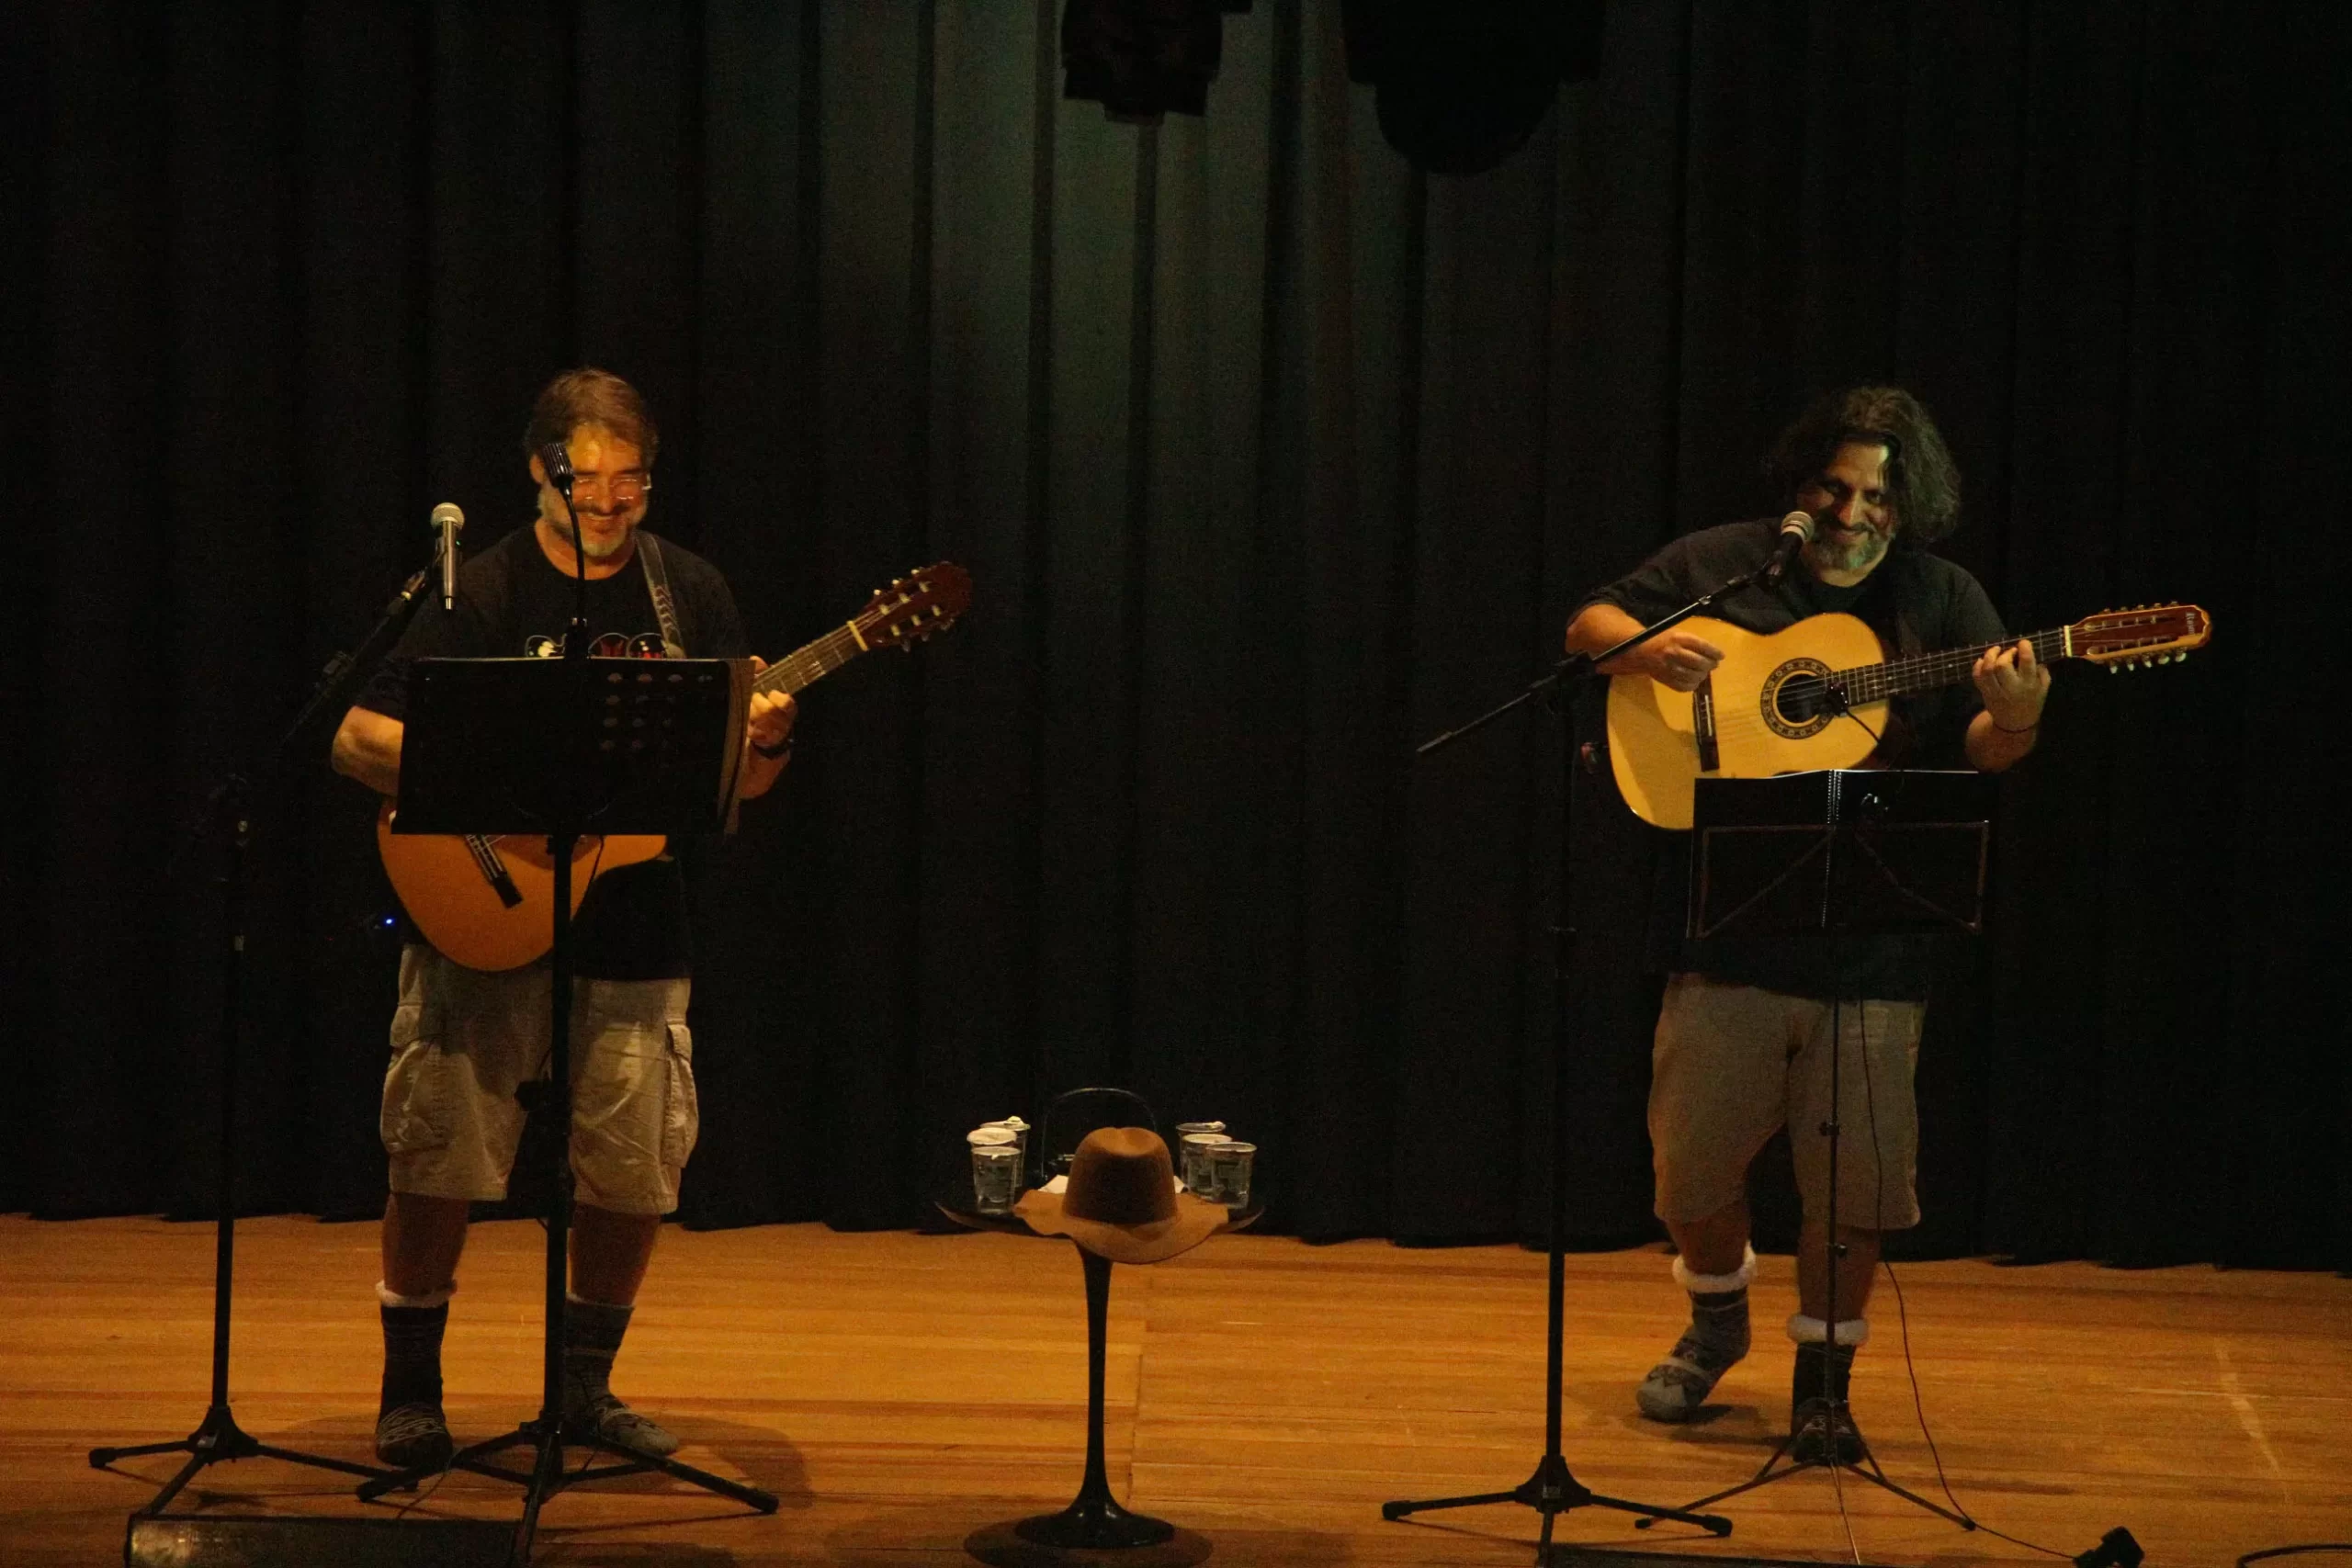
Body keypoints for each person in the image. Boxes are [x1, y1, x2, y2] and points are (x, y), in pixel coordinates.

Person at [1563, 387, 2048, 1462]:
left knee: (1853, 1190)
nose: (1852, 513)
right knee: (1688, 1177)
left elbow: (1988, 747)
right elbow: (1588, 626)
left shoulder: (1940, 598)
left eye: (1878, 496)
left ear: (1909, 505)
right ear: (1802, 483)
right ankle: (1716, 1321)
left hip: (1873, 953)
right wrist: (1645, 655)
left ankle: (1824, 1386)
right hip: (1724, 942)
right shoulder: (1731, 564)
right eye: (1836, 487)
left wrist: (2015, 717)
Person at [330, 367, 797, 1469]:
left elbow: (739, 787)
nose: (611, 501)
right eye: (587, 480)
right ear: (539, 474)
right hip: (480, 909)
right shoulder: (481, 588)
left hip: (634, 916)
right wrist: (493, 773)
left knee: (634, 1165)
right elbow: (356, 737)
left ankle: (584, 1389)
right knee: (439, 1150)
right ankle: (411, 1391)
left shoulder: (689, 593)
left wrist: (767, 739)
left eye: (631, 480)